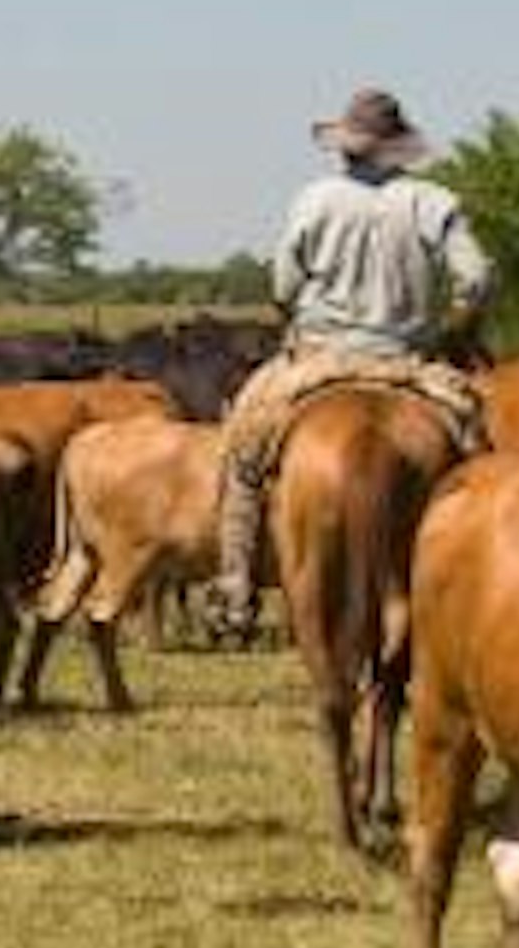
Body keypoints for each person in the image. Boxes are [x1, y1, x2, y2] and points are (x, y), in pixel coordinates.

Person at [200, 87, 494, 635]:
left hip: (318, 357)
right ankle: (481, 583)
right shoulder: (432, 202)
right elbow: (476, 277)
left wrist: (294, 311)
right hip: (407, 361)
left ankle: (235, 584)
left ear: (347, 147)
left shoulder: (314, 200)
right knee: (477, 449)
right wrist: (454, 327)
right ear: (398, 148)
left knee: (241, 452)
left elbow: (284, 283)